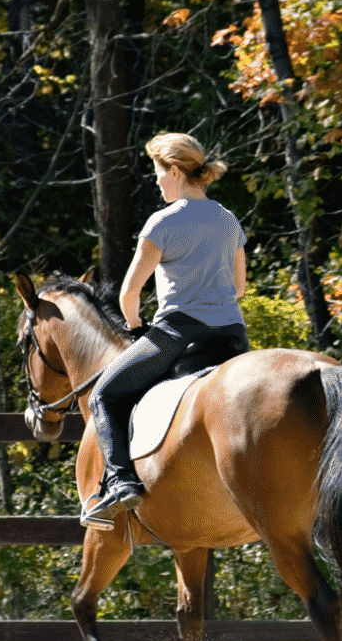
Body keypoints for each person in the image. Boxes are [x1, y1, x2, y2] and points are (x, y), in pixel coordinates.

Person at [83, 132, 250, 526]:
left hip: (179, 334)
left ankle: (121, 482)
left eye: (158, 172)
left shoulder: (163, 222)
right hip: (232, 336)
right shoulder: (228, 219)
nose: (156, 180)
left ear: (175, 171)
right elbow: (239, 287)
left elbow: (129, 294)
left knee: (104, 396)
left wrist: (136, 325)